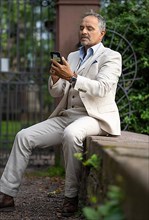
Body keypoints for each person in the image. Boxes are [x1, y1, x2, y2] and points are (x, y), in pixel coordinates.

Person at [0, 10, 122, 217]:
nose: (83, 31)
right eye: (81, 28)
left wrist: (72, 77)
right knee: (23, 136)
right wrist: (56, 79)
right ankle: (7, 194)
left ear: (102, 33)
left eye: (89, 28)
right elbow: (57, 92)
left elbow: (103, 88)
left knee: (71, 134)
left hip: (96, 118)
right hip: (68, 114)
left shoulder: (111, 56)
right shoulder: (73, 56)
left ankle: (70, 196)